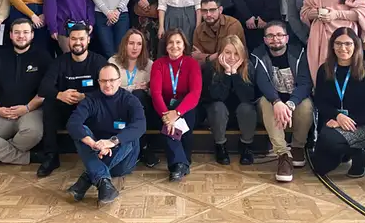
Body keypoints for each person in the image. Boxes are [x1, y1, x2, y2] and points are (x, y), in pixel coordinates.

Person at [0, 18, 52, 164]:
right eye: (17, 32)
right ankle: (26, 157)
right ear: (10, 35)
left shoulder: (43, 57)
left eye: (26, 32)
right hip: (1, 112)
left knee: (33, 134)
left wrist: (26, 108)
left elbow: (46, 90)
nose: (21, 36)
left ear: (32, 35)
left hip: (31, 111)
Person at [66, 64, 146, 205]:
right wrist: (94, 144)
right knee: (81, 131)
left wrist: (113, 142)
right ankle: (104, 183)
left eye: (112, 80)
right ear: (98, 82)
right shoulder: (91, 99)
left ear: (119, 81)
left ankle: (86, 179)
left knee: (130, 135)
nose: (107, 84)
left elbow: (140, 126)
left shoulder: (130, 100)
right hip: (99, 151)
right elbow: (73, 123)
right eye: (103, 81)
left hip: (124, 160)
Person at [37, 23, 107, 177]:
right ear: (68, 40)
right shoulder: (59, 62)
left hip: (89, 110)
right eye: (74, 38)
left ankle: (99, 153)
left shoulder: (99, 62)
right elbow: (43, 88)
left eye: (81, 38)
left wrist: (85, 96)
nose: (77, 42)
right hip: (65, 109)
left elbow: (108, 89)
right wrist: (60, 94)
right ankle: (51, 156)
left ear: (88, 40)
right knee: (49, 103)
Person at [310, 27, 365, 178]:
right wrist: (337, 116)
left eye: (348, 44)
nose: (343, 48)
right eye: (338, 44)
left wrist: (347, 121)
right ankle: (348, 152)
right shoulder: (325, 69)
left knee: (328, 139)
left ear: (356, 46)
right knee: (319, 167)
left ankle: (358, 156)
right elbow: (320, 101)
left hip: (361, 124)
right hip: (334, 123)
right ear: (332, 46)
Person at [252, 22, 314, 182]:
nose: (275, 39)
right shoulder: (258, 54)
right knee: (266, 102)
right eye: (270, 36)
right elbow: (262, 81)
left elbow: (305, 83)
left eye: (279, 35)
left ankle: (298, 146)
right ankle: (283, 155)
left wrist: (291, 103)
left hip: (293, 100)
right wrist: (276, 101)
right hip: (272, 100)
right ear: (265, 40)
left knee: (306, 105)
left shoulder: (299, 53)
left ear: (286, 38)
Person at [150, 29, 202, 181]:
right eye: (170, 42)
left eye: (178, 42)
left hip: (187, 108)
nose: (174, 46)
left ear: (184, 45)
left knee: (184, 111)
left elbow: (195, 93)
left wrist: (176, 113)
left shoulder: (191, 63)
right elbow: (156, 93)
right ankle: (182, 163)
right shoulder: (158, 64)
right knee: (169, 125)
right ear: (165, 46)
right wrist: (167, 116)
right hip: (163, 108)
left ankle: (179, 163)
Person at [202, 35, 256, 165]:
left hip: (241, 114)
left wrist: (235, 73)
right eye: (228, 52)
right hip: (218, 115)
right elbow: (216, 96)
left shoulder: (248, 66)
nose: (232, 57)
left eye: (236, 53)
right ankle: (220, 146)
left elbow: (248, 97)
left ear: (242, 55)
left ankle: (246, 145)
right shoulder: (211, 67)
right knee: (218, 106)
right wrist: (227, 73)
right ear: (221, 53)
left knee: (247, 108)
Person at [108, 29, 158, 167]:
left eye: (139, 44)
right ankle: (142, 148)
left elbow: (152, 92)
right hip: (119, 105)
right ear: (125, 44)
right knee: (134, 95)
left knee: (139, 96)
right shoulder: (113, 61)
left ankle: (141, 147)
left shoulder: (150, 65)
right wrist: (131, 88)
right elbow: (110, 88)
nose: (135, 47)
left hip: (141, 108)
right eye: (131, 43)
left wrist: (147, 88)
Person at [192, 0, 246, 64]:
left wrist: (207, 58)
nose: (208, 14)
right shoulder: (199, 30)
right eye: (204, 11)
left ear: (220, 10)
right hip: (208, 70)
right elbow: (196, 58)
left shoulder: (232, 25)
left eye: (212, 10)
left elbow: (228, 55)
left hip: (234, 67)